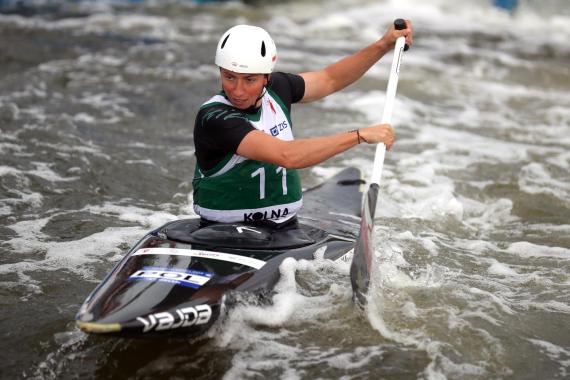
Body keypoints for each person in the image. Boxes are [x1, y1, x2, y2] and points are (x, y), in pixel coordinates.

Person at [192, 21, 413, 224]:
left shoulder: (278, 88)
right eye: (229, 77)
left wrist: (384, 45)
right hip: (221, 232)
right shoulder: (216, 118)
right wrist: (358, 135)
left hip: (283, 228)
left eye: (250, 80)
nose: (238, 90)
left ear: (267, 77)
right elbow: (287, 155)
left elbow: (329, 79)